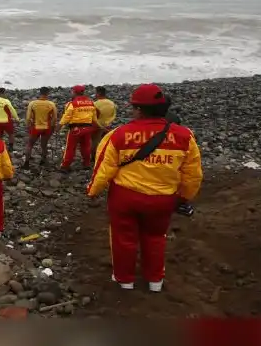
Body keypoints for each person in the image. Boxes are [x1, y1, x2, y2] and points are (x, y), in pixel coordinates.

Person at [86, 83, 203, 292]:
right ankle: (155, 281)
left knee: (124, 239)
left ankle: (125, 281)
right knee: (156, 238)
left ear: (139, 109)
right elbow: (193, 174)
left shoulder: (118, 135)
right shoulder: (185, 136)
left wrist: (93, 191)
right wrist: (184, 198)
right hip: (163, 198)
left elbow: (104, 168)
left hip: (125, 197)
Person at [58, 84, 99, 172]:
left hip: (75, 129)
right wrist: (99, 126)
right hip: (88, 129)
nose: (71, 93)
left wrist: (59, 125)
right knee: (86, 147)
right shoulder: (91, 102)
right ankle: (86, 164)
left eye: (72, 91)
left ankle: (65, 166)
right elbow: (94, 118)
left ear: (75, 92)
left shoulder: (72, 103)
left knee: (70, 148)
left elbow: (67, 116)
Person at [23, 86, 58, 168]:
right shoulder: (51, 104)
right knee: (44, 145)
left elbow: (28, 118)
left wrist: (28, 125)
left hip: (36, 127)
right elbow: (55, 118)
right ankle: (43, 160)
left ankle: (26, 163)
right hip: (47, 127)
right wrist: (53, 126)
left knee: (30, 144)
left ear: (40, 93)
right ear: (48, 94)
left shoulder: (32, 103)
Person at [92, 86, 118, 161]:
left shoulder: (95, 104)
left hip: (98, 125)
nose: (95, 94)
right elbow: (114, 113)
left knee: (95, 142)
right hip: (108, 125)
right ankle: (106, 156)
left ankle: (94, 158)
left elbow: (94, 116)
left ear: (99, 93)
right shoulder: (111, 103)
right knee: (107, 142)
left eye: (96, 93)